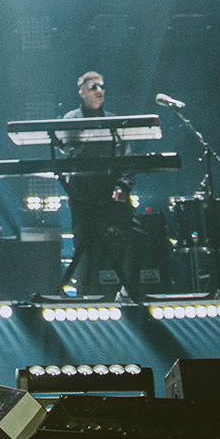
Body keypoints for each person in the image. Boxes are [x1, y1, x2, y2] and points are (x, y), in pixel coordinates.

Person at [58, 70, 143, 298]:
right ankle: (84, 294)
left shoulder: (113, 121)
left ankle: (126, 292)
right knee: (83, 246)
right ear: (82, 93)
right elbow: (70, 155)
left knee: (136, 237)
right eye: (93, 87)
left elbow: (127, 158)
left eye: (101, 86)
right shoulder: (71, 119)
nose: (99, 91)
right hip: (83, 196)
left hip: (111, 194)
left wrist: (123, 186)